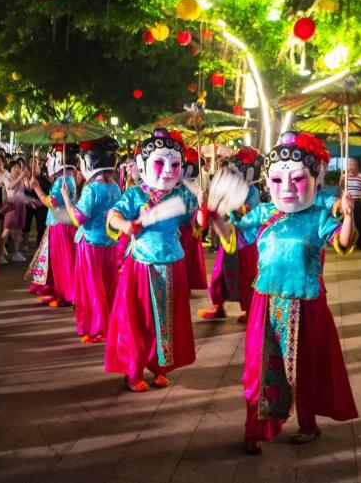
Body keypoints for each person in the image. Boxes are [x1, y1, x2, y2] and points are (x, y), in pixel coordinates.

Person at [209, 132, 359, 454]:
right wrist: (215, 218)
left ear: (315, 178)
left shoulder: (318, 216)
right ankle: (255, 429)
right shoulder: (263, 213)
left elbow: (343, 243)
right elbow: (234, 239)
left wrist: (349, 215)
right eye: (277, 180)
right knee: (259, 370)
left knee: (306, 370)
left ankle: (309, 425)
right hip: (266, 303)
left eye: (297, 179)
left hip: (307, 305)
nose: (286, 187)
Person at [105, 128, 198, 392]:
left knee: (167, 320)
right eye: (160, 163)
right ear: (142, 164)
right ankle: (133, 371)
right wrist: (125, 225)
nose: (168, 170)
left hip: (173, 264)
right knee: (137, 320)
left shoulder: (182, 195)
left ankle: (160, 367)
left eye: (175, 165)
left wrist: (203, 215)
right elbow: (113, 215)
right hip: (141, 265)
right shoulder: (135, 195)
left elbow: (194, 222)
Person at [63, 136, 122, 343]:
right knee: (108, 284)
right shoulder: (115, 186)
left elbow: (78, 218)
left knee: (91, 286)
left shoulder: (91, 189)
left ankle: (96, 326)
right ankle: (110, 324)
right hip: (109, 242)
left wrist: (67, 199)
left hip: (90, 244)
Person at [200, 146, 262, 323]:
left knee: (248, 275)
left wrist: (227, 205)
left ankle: (250, 310)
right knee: (219, 271)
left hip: (247, 240)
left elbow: (245, 210)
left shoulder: (253, 192)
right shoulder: (234, 189)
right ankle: (218, 306)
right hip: (229, 236)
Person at [27, 147, 80, 306]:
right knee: (62, 261)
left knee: (61, 262)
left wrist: (37, 188)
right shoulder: (68, 177)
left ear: (59, 160)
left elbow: (51, 203)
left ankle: (65, 293)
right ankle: (62, 291)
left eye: (50, 159)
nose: (47, 163)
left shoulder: (62, 181)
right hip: (62, 224)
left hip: (59, 226)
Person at [179, 148, 208, 292]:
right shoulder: (179, 186)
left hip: (187, 229)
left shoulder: (192, 187)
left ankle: (184, 285)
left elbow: (194, 210)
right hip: (180, 229)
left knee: (187, 259)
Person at [0, 160, 28, 262]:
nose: (17, 169)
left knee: (18, 230)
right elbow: (10, 187)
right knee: (7, 229)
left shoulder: (21, 178)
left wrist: (26, 178)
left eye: (18, 167)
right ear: (10, 169)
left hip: (21, 205)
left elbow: (28, 188)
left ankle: (16, 253)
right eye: (14, 167)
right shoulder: (6, 178)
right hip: (11, 206)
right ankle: (1, 254)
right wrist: (21, 177)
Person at [340, 159, 361, 249]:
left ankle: (359, 243)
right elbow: (341, 186)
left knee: (358, 222)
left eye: (354, 164)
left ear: (357, 166)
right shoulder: (345, 176)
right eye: (351, 164)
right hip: (347, 202)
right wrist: (343, 178)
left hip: (357, 201)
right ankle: (344, 242)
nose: (352, 166)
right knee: (345, 222)